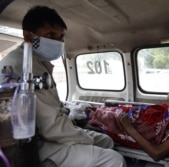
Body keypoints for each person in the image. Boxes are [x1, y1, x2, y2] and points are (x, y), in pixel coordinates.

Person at [0, 5, 126, 167]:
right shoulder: (24, 66)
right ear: (28, 36)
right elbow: (52, 127)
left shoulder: (37, 61)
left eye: (60, 37)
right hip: (35, 143)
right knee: (113, 159)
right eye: (50, 35)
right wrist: (84, 138)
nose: (57, 42)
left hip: (47, 133)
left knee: (106, 140)